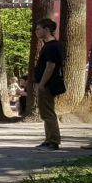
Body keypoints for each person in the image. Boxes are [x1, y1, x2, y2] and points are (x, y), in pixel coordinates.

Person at [33, 19, 65, 150]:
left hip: (48, 84)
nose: (36, 31)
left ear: (47, 29)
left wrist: (42, 83)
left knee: (48, 112)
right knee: (45, 112)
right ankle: (48, 139)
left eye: (38, 29)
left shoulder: (52, 46)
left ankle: (53, 140)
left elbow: (50, 66)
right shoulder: (47, 45)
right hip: (45, 83)